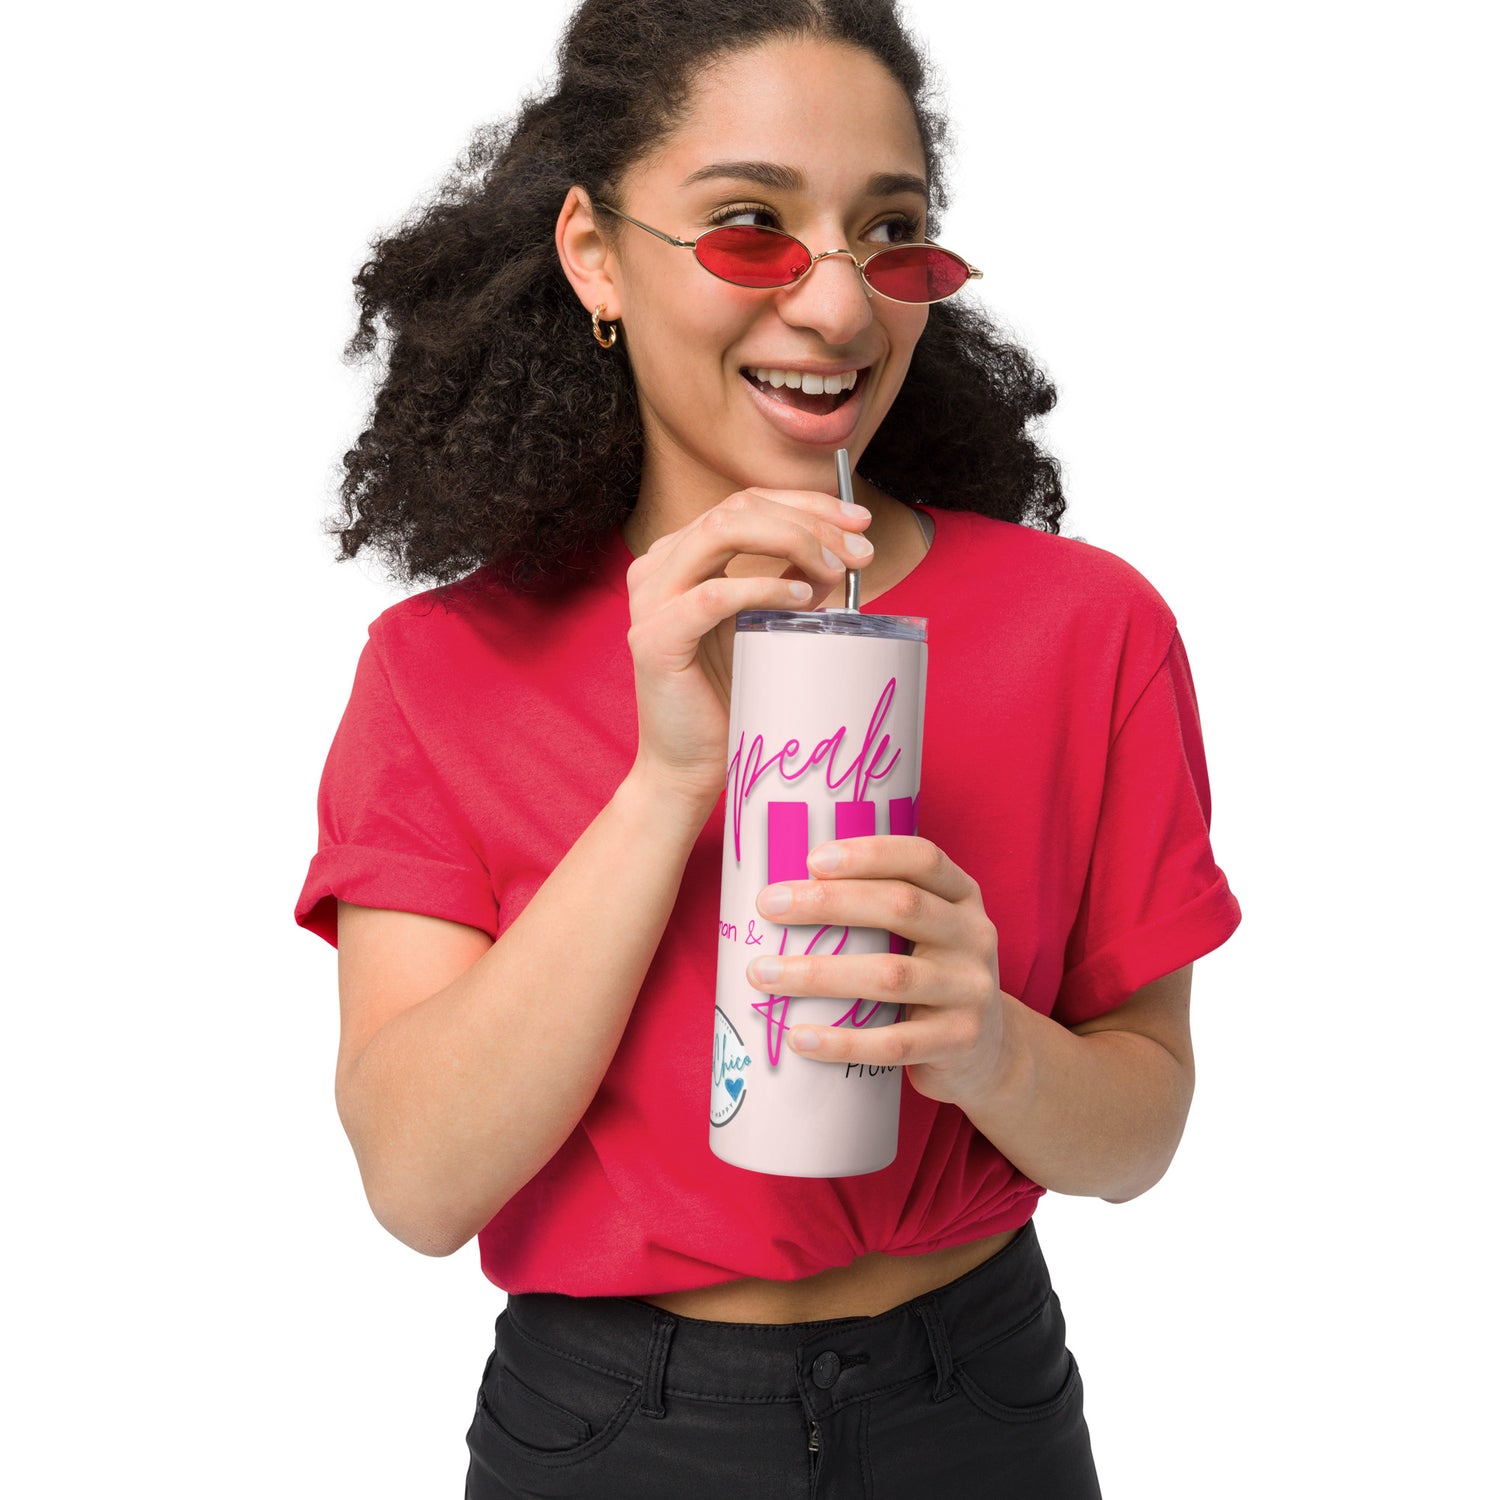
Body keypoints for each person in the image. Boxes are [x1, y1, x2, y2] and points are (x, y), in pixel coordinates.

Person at [294, 1, 1242, 1494]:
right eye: (751, 229)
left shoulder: (1088, 629)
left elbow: (1142, 1133)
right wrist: (671, 779)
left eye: (890, 233)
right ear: (596, 254)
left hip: (979, 1398)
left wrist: (994, 1046)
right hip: (613, 1425)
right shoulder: (442, 670)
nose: (840, 310)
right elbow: (418, 1184)